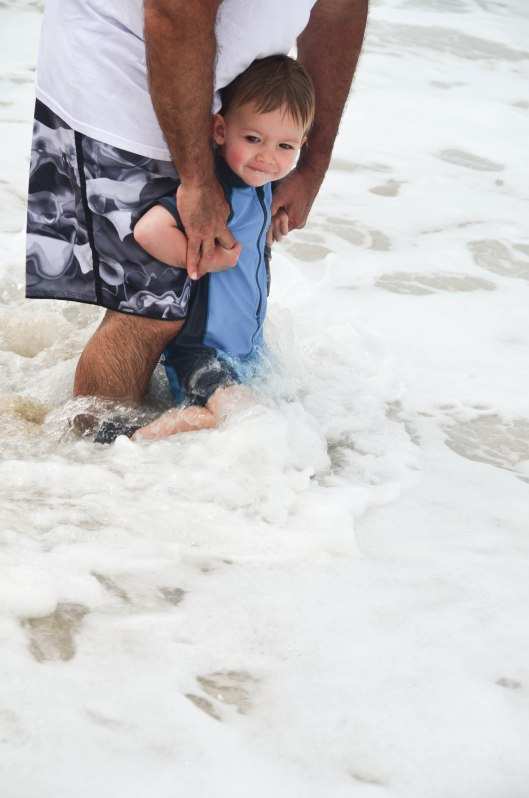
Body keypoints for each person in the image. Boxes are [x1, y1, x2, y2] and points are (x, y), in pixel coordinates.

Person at [26, 0, 369, 422]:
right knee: (150, 309)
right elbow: (176, 9)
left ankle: (140, 451)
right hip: (124, 70)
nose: (272, 156)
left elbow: (341, 8)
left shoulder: (253, 166)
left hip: (238, 95)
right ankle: (95, 447)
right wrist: (198, 183)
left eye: (286, 147)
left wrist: (312, 162)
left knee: (170, 314)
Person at [130, 55, 315, 439]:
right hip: (202, 350)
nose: (267, 157)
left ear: (302, 144)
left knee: (281, 416)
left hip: (246, 350)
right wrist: (202, 259)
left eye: (285, 146)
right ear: (220, 130)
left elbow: (248, 234)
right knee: (250, 420)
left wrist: (268, 229)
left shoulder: (261, 186)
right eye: (253, 139)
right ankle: (145, 436)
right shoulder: (216, 190)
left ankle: (201, 419)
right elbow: (149, 230)